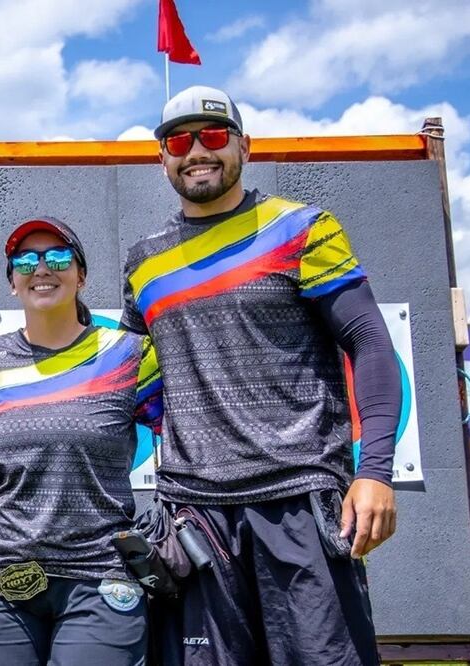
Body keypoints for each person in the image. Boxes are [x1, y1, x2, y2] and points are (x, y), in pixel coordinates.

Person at [121, 85, 401, 665]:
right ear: (162, 158)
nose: (197, 150)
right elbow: (136, 375)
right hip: (193, 516)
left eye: (214, 136)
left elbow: (370, 342)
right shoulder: (143, 262)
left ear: (244, 146)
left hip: (299, 499)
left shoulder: (303, 227)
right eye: (179, 140)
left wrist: (374, 473)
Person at [0, 218, 163, 666]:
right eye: (25, 261)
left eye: (57, 258)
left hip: (99, 578)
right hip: (1, 582)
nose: (41, 269)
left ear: (81, 276)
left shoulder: (130, 355)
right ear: (12, 283)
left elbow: (181, 432)